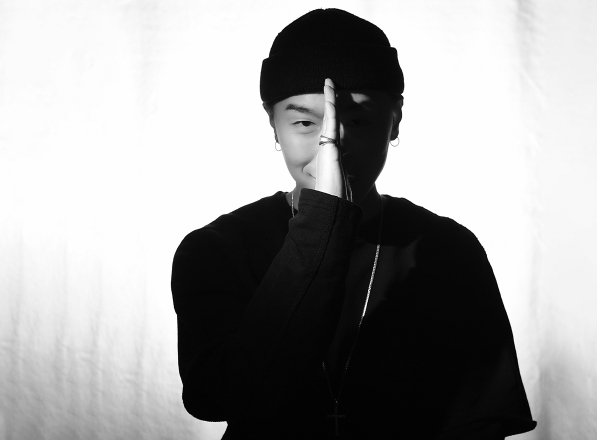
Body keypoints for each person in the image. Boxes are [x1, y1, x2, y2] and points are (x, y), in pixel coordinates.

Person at [171, 8, 537, 440]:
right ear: (273, 125)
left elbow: (480, 421)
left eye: (358, 120)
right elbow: (216, 396)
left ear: (395, 119)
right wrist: (323, 220)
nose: (333, 148)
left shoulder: (448, 250)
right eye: (305, 123)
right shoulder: (217, 249)